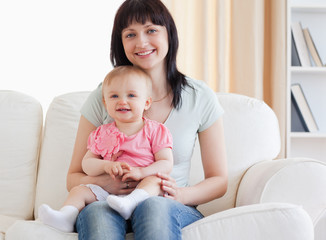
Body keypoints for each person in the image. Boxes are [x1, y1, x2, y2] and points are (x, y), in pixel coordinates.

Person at [67, 0, 228, 239]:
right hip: (110, 201)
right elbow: (73, 177)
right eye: (130, 34)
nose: (141, 42)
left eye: (151, 30)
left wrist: (179, 194)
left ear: (169, 35)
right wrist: (105, 185)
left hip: (167, 204)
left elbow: (219, 180)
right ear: (120, 43)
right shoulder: (102, 97)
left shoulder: (199, 96)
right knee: (99, 211)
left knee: (154, 206)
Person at [38, 66, 173, 232]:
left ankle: (130, 203)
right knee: (79, 190)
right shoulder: (102, 132)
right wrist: (105, 166)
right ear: (105, 103)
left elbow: (166, 163)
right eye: (114, 96)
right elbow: (87, 163)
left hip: (143, 191)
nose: (122, 101)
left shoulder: (155, 130)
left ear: (146, 102)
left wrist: (141, 172)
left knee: (157, 181)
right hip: (109, 194)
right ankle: (66, 216)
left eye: (131, 95)